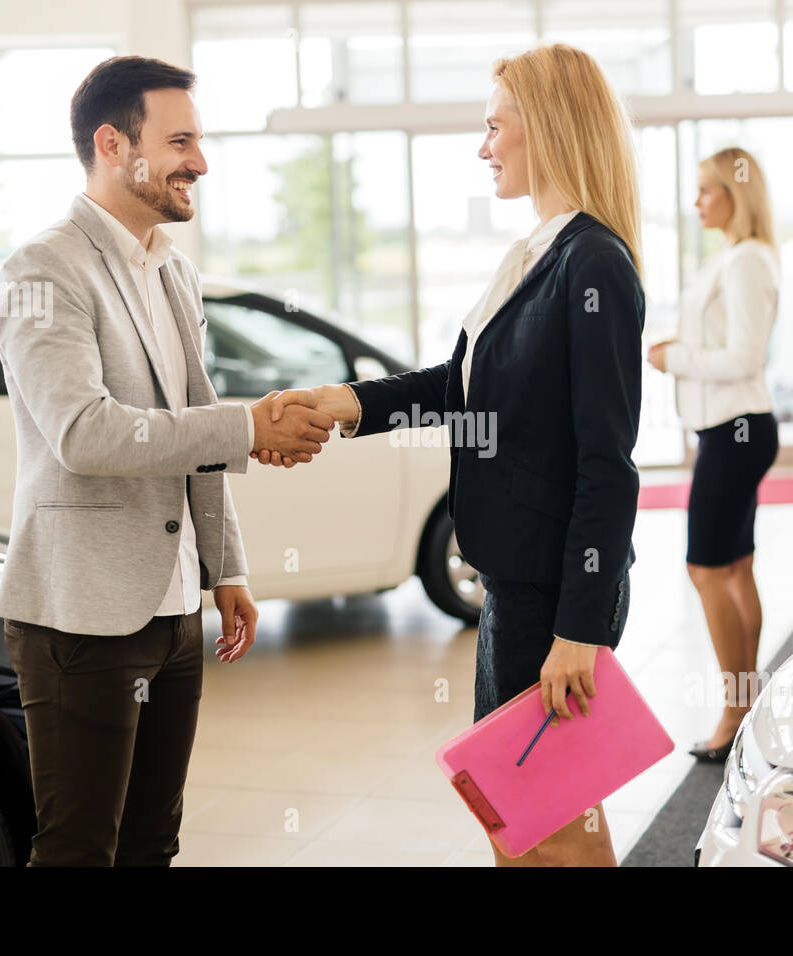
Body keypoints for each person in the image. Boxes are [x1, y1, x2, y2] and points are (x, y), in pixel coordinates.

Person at [259, 44, 645, 867]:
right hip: (517, 584)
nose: (484, 146)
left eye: (494, 125)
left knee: (543, 827)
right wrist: (350, 402)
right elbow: (461, 387)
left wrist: (579, 630)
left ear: (545, 127)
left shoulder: (593, 264)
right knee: (529, 818)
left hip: (554, 598)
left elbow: (608, 463)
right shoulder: (538, 255)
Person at [0, 55, 333, 866]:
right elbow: (87, 433)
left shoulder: (171, 270)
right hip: (82, 615)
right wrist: (248, 426)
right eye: (181, 141)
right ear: (114, 144)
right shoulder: (43, 270)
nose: (201, 163)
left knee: (153, 842)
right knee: (80, 850)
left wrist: (227, 566)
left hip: (174, 609)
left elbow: (185, 423)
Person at [646, 146, 780, 763]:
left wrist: (676, 358)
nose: (696, 201)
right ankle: (748, 703)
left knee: (706, 569)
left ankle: (734, 711)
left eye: (706, 190)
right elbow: (724, 343)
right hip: (728, 428)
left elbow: (746, 359)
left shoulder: (747, 260)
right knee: (734, 568)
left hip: (737, 429)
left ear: (735, 193)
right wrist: (684, 346)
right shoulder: (733, 257)